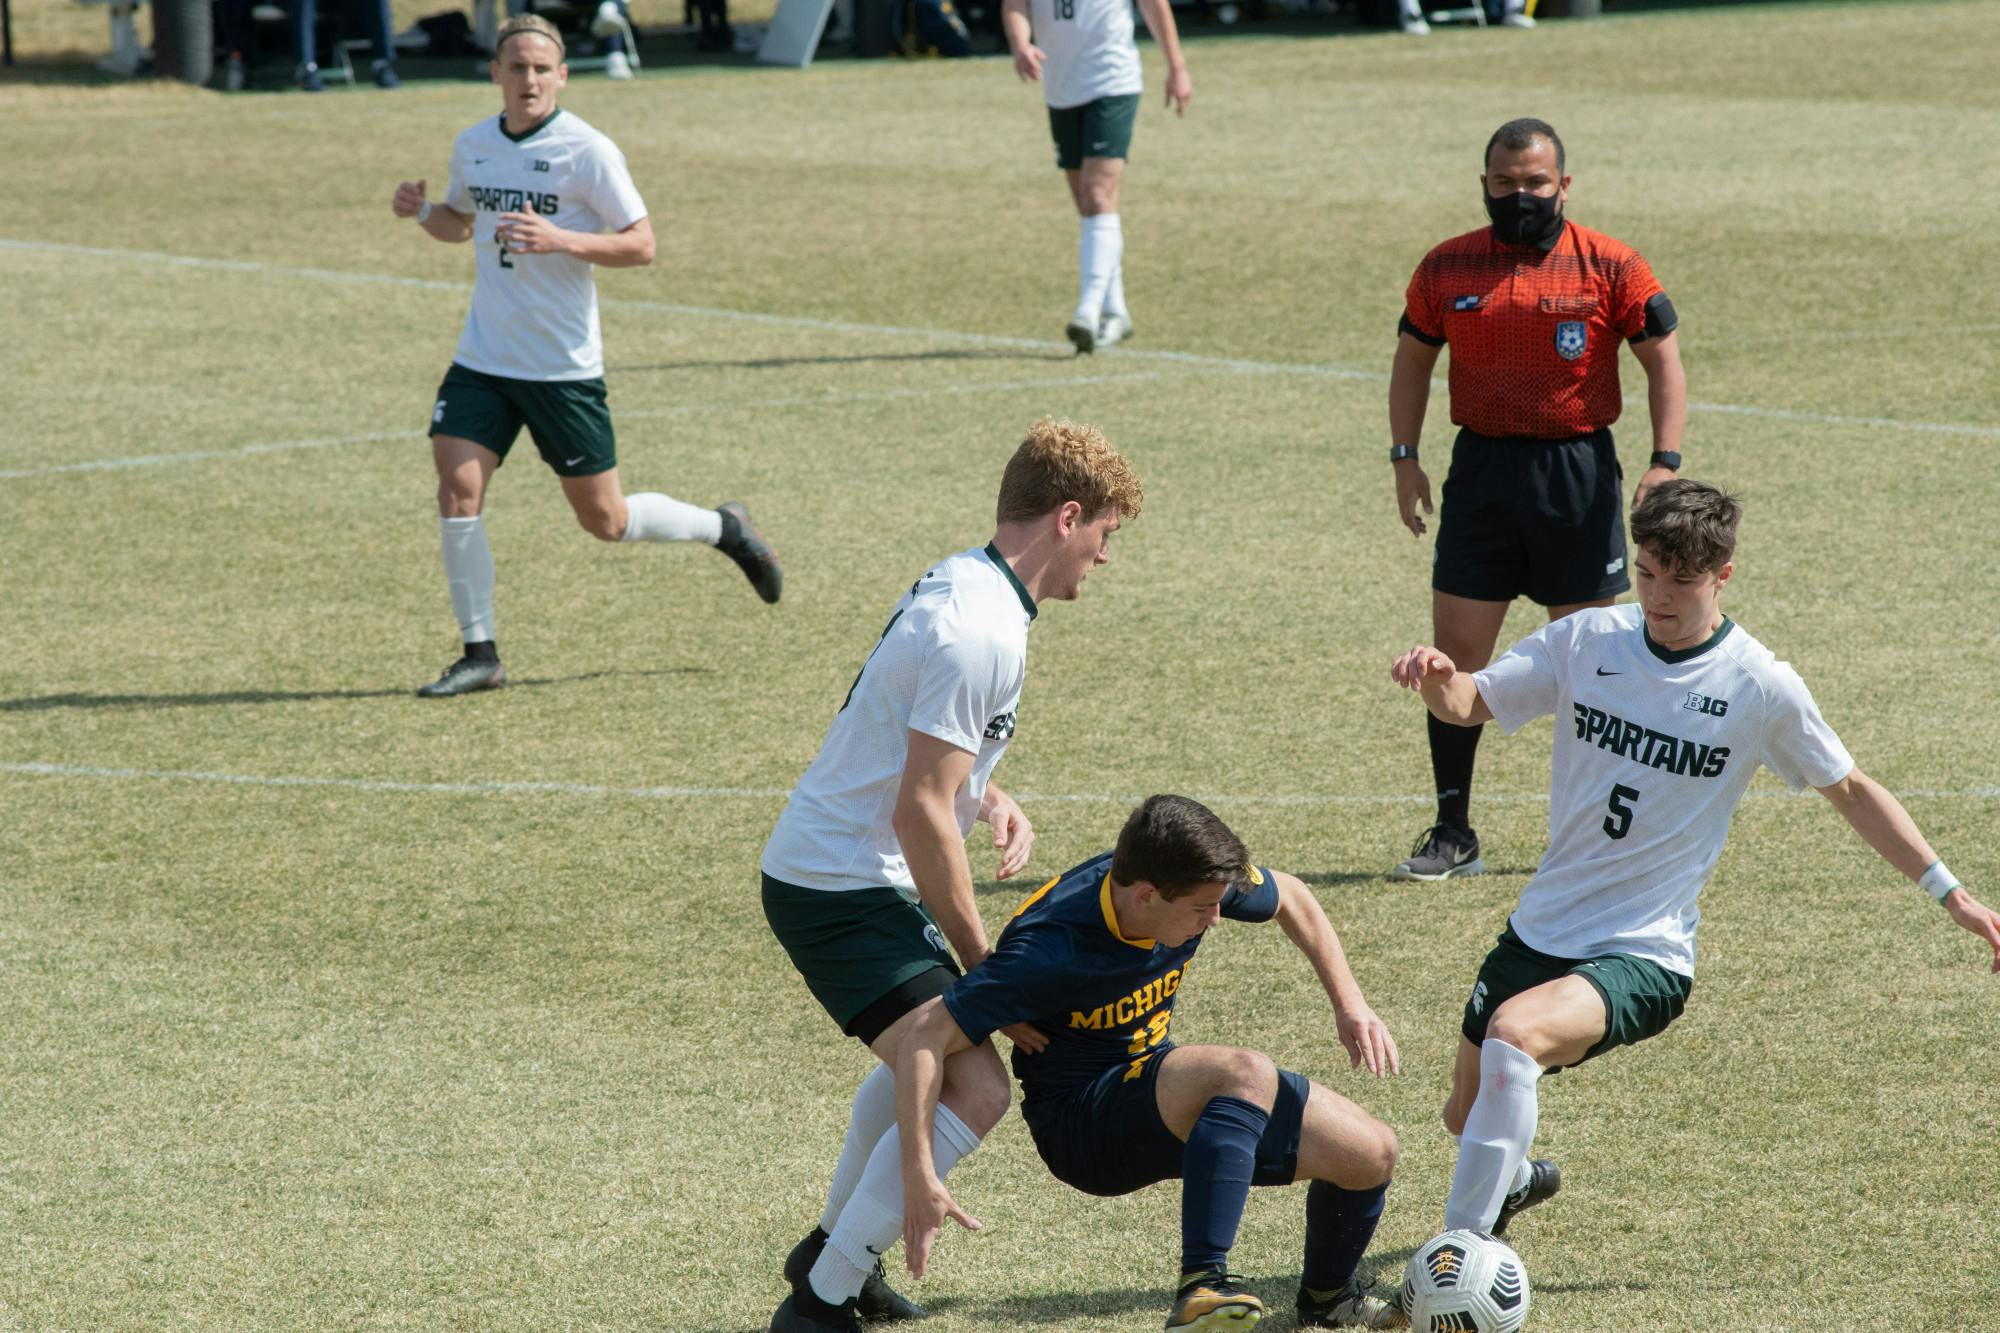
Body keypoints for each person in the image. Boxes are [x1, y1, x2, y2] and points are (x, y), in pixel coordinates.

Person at [1388, 480, 2000, 1241]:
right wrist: (1439, 677)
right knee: (1466, 1112)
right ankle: (1507, 1181)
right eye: (1647, 573)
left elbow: (1850, 789)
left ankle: (1455, 1259)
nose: (1659, 596)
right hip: (1543, 926)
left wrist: (1953, 894)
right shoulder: (1587, 640)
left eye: (1682, 580)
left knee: (1515, 1034)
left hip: (1644, 950)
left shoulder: (1758, 684)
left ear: (1723, 575)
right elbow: (1471, 701)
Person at [761, 419, 1143, 1333]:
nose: (1104, 557)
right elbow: (916, 812)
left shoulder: (971, 584)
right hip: (841, 885)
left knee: (927, 1047)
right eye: (1106, 535)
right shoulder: (984, 630)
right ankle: (818, 1304)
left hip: (843, 869)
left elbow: (916, 749)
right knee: (977, 1085)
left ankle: (832, 1255)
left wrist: (984, 792)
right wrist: (985, 971)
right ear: (1067, 515)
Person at [894, 795, 1409, 1331]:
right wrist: (918, 1172)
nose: (1216, 918)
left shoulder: (1180, 876)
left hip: (1155, 1080)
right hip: (1081, 1124)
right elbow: (924, 1037)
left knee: (1372, 1153)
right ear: (1145, 897)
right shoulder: (1047, 949)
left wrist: (1351, 1005)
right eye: (1202, 908)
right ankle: (1202, 1287)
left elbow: (1293, 897)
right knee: (1242, 1072)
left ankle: (1329, 1299)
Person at [390, 13, 780, 698]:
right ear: (496, 74)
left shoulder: (588, 150)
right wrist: (424, 213)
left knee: (607, 521)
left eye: (542, 68)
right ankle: (480, 652)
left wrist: (563, 240)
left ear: (563, 76)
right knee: (457, 488)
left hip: (561, 368)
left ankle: (724, 527)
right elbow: (461, 220)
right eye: (517, 67)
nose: (529, 79)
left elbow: (642, 243)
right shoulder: (474, 144)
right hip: (484, 357)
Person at [1386, 116, 1687, 881]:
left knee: (1595, 665)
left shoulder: (1612, 265)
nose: (1519, 196)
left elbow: (1664, 362)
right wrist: (1404, 457)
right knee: (1454, 661)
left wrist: (1664, 460)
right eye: (1504, 183)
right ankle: (1453, 831)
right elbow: (1413, 362)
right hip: (1481, 475)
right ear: (1483, 184)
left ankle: (1595, 832)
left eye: (1535, 184)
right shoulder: (1445, 267)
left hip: (1578, 475)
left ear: (1563, 185)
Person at [1001, 0, 1190, 355]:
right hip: (1060, 89)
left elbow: (1154, 6)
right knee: (1089, 208)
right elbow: (1015, 5)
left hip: (1112, 82)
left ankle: (1086, 312)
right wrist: (1021, 45)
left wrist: (1176, 66)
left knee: (1098, 195)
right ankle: (1115, 312)